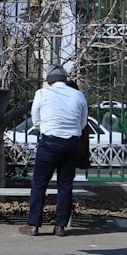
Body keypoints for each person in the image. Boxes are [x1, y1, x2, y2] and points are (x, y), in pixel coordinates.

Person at [19, 64, 89, 237]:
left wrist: (47, 129)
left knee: (39, 183)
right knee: (65, 185)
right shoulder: (79, 95)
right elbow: (83, 122)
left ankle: (33, 224)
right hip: (72, 143)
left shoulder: (42, 93)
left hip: (50, 142)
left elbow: (35, 119)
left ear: (49, 81)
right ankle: (60, 226)